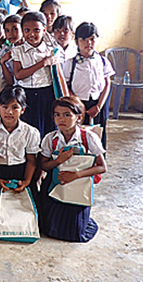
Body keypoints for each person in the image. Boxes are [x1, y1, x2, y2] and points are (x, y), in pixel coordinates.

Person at [40, 96, 107, 242]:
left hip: (79, 185)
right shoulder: (50, 138)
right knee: (49, 229)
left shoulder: (88, 137)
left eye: (67, 115)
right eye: (57, 115)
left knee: (75, 232)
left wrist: (76, 175)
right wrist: (59, 160)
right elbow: (43, 165)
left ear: (78, 117)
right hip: (56, 183)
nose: (61, 119)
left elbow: (102, 167)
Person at [64, 22, 115, 147]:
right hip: (78, 106)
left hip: (98, 104)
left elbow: (107, 84)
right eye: (83, 39)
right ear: (76, 42)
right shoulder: (70, 63)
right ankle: (81, 163)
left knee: (98, 135)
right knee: (79, 136)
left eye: (92, 39)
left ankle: (98, 161)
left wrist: (98, 106)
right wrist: (79, 106)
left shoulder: (103, 61)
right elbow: (65, 85)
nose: (89, 43)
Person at [0, 86, 40, 195]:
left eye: (15, 107)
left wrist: (26, 181)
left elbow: (31, 160)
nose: (9, 112)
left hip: (21, 173)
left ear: (23, 110)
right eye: (5, 107)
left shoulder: (31, 132)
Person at [11, 12, 59, 137]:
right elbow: (18, 75)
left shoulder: (51, 50)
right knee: (27, 128)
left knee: (46, 127)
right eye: (27, 30)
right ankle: (29, 155)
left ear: (44, 31)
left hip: (46, 93)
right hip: (25, 94)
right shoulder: (18, 51)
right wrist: (43, 63)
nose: (31, 34)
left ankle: (45, 155)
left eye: (36, 30)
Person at [0, 15, 24, 86]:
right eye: (7, 30)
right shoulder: (5, 52)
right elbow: (10, 82)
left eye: (15, 29)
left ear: (23, 29)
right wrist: (3, 63)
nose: (11, 34)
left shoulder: (31, 48)